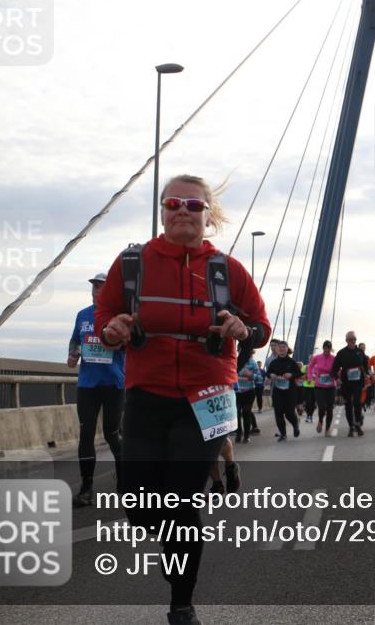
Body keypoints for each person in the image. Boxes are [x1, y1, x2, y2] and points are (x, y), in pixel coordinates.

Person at [97, 174, 269, 625]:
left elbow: (261, 327)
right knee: (137, 504)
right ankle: (174, 546)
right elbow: (105, 312)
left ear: (208, 216)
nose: (183, 211)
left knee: (182, 501)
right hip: (145, 394)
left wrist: (243, 330)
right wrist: (111, 329)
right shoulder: (133, 263)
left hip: (207, 396)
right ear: (161, 210)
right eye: (174, 202)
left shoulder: (227, 270)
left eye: (194, 206)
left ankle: (181, 604)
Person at [67, 272, 125, 507]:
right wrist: (73, 354)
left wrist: (117, 343)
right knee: (86, 433)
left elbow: (131, 344)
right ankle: (86, 488)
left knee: (112, 434)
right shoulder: (82, 315)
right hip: (87, 384)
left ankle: (125, 483)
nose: (96, 291)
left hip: (113, 383)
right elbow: (75, 340)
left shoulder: (118, 316)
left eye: (101, 287)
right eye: (94, 287)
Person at [332, 331, 369, 437]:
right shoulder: (341, 353)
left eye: (354, 339)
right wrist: (337, 378)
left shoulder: (360, 352)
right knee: (348, 405)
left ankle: (357, 423)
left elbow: (365, 365)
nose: (352, 341)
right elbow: (334, 369)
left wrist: (366, 374)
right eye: (350, 339)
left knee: (357, 403)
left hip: (358, 382)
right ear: (346, 340)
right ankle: (351, 426)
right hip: (346, 383)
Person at [266, 340, 301, 441]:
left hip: (290, 391)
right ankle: (283, 434)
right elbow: (268, 373)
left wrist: (291, 375)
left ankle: (295, 425)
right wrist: (270, 375)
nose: (281, 349)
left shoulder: (292, 362)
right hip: (277, 391)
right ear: (277, 349)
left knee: (289, 413)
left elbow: (298, 374)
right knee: (278, 413)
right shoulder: (273, 362)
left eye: (283, 347)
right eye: (279, 347)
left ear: (287, 349)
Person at [308, 340, 337, 436]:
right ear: (323, 348)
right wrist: (310, 376)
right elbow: (310, 367)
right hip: (319, 386)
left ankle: (327, 429)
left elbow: (338, 369)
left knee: (329, 408)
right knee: (321, 407)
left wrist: (340, 377)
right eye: (325, 348)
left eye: (328, 348)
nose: (327, 350)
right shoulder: (317, 357)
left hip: (330, 387)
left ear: (330, 349)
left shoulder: (334, 358)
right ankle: (320, 421)